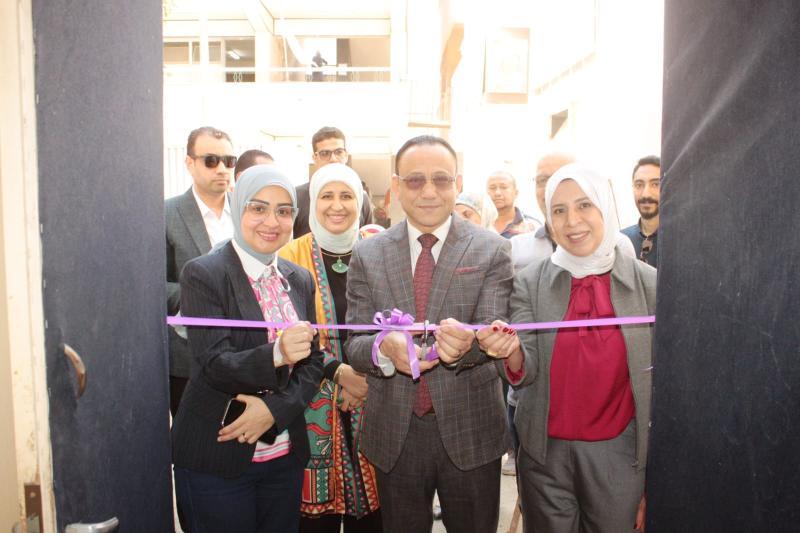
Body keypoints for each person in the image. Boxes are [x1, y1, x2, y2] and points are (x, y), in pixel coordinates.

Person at [345, 135, 513, 532]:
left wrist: (469, 345)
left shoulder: (492, 250)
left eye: (441, 179)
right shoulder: (368, 253)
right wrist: (382, 349)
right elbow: (354, 343)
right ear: (396, 186)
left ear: (458, 183)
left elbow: (494, 329)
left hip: (471, 427)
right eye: (415, 180)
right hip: (395, 431)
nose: (429, 191)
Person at [481, 163, 655, 532]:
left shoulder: (649, 285)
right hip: (545, 456)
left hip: (620, 456)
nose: (572, 221)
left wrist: (653, 478)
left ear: (605, 206)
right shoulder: (530, 281)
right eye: (559, 210)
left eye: (584, 205)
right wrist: (509, 350)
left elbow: (663, 390)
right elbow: (525, 367)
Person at [171, 165, 325, 533]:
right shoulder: (204, 273)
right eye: (258, 208)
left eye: (283, 211)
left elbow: (314, 361)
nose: (272, 221)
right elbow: (213, 364)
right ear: (238, 207)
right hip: (217, 455)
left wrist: (274, 411)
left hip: (284, 455)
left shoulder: (299, 278)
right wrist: (277, 354)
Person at [278, 163, 382, 532]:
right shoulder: (288, 257)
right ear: (313, 202)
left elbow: (398, 321)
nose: (337, 205)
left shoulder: (380, 249)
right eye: (326, 196)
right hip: (312, 400)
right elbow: (286, 330)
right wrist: (340, 374)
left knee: (373, 518)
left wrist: (363, 379)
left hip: (375, 395)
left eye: (347, 196)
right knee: (315, 522)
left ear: (360, 202)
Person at [166, 126, 237, 416]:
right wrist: (198, 297)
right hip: (189, 358)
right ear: (189, 163)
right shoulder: (166, 214)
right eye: (211, 160)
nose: (221, 169)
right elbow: (153, 285)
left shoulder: (249, 212)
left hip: (245, 354)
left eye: (229, 161)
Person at [511, 152, 636, 271]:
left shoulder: (618, 245)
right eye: (542, 180)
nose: (550, 187)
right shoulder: (517, 248)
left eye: (562, 177)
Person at [294, 127, 373, 237]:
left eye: (339, 152)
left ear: (346, 155)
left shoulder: (361, 197)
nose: (333, 159)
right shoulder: (296, 197)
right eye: (324, 153)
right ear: (314, 158)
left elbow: (367, 240)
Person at [621, 156, 661, 267]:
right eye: (639, 185)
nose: (645, 194)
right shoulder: (621, 240)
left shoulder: (679, 242)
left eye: (655, 184)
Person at [487, 170, 541, 237]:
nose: (497, 193)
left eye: (503, 187)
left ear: (516, 193)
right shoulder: (480, 224)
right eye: (492, 188)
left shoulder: (532, 227)